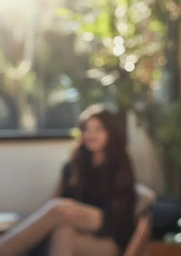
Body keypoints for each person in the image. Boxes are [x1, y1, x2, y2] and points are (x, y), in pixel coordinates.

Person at [0, 104, 136, 256]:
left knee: (58, 209)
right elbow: (56, 199)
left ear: (110, 133)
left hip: (107, 232)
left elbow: (118, 218)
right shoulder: (75, 164)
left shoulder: (120, 164)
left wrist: (72, 212)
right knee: (62, 231)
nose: (91, 135)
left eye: (98, 129)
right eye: (87, 129)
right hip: (75, 231)